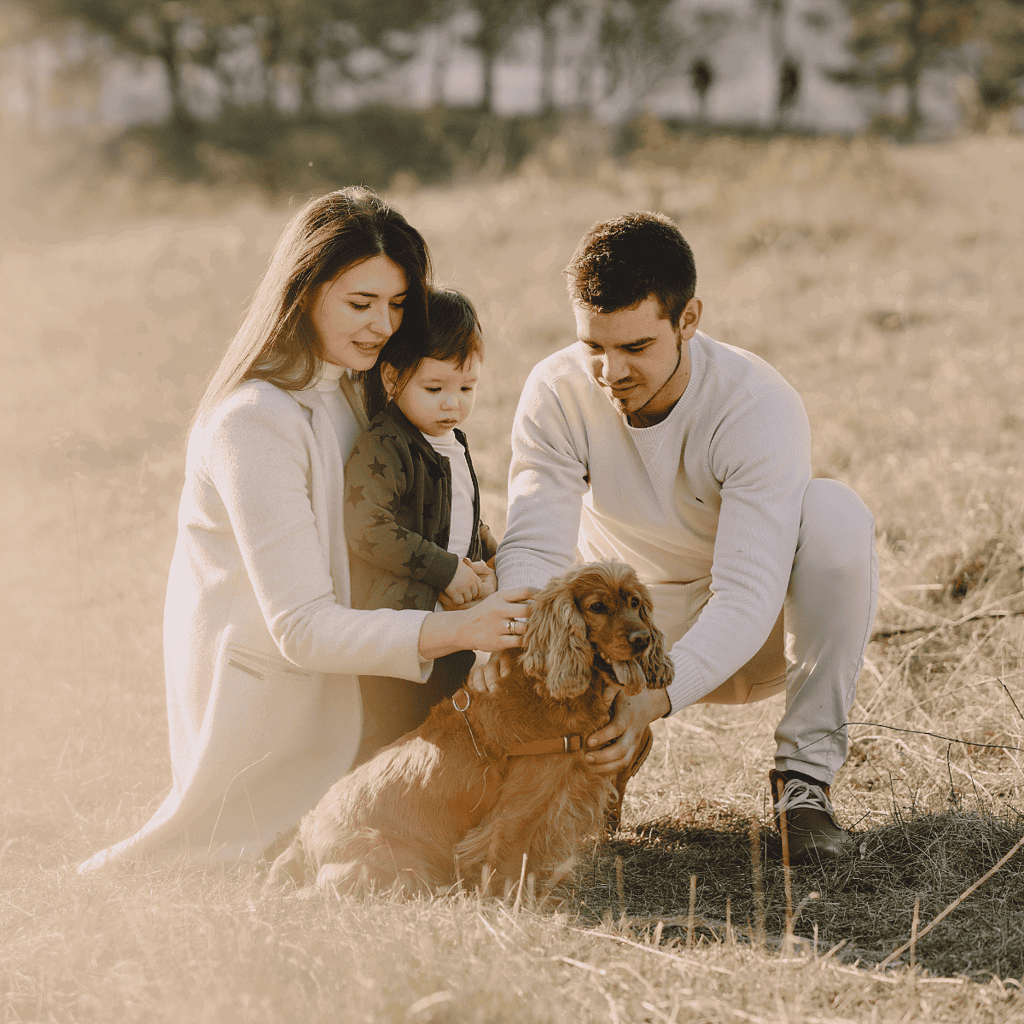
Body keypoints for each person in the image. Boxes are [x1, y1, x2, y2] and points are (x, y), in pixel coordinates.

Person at [77, 188, 532, 874]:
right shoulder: (253, 422)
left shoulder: (359, 389)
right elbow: (301, 628)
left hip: (371, 680)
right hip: (281, 714)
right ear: (304, 291)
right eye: (361, 303)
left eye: (397, 304)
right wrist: (460, 630)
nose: (383, 325)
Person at [491, 212, 879, 861]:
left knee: (836, 513)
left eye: (636, 347)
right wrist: (535, 665)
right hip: (617, 631)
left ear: (688, 319)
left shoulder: (755, 402)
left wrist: (655, 698)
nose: (611, 371)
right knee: (497, 570)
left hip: (751, 631)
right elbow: (534, 547)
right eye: (594, 346)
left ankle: (804, 784)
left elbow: (747, 592)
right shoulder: (556, 390)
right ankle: (582, 756)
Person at [344, 287, 498, 762]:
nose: (453, 404)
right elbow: (368, 527)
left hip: (451, 629)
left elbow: (462, 514)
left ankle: (447, 795)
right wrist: (445, 569)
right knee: (395, 739)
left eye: (466, 388)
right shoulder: (386, 445)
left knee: (449, 728)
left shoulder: (452, 440)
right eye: (435, 389)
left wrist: (491, 559)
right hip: (399, 635)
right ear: (392, 377)